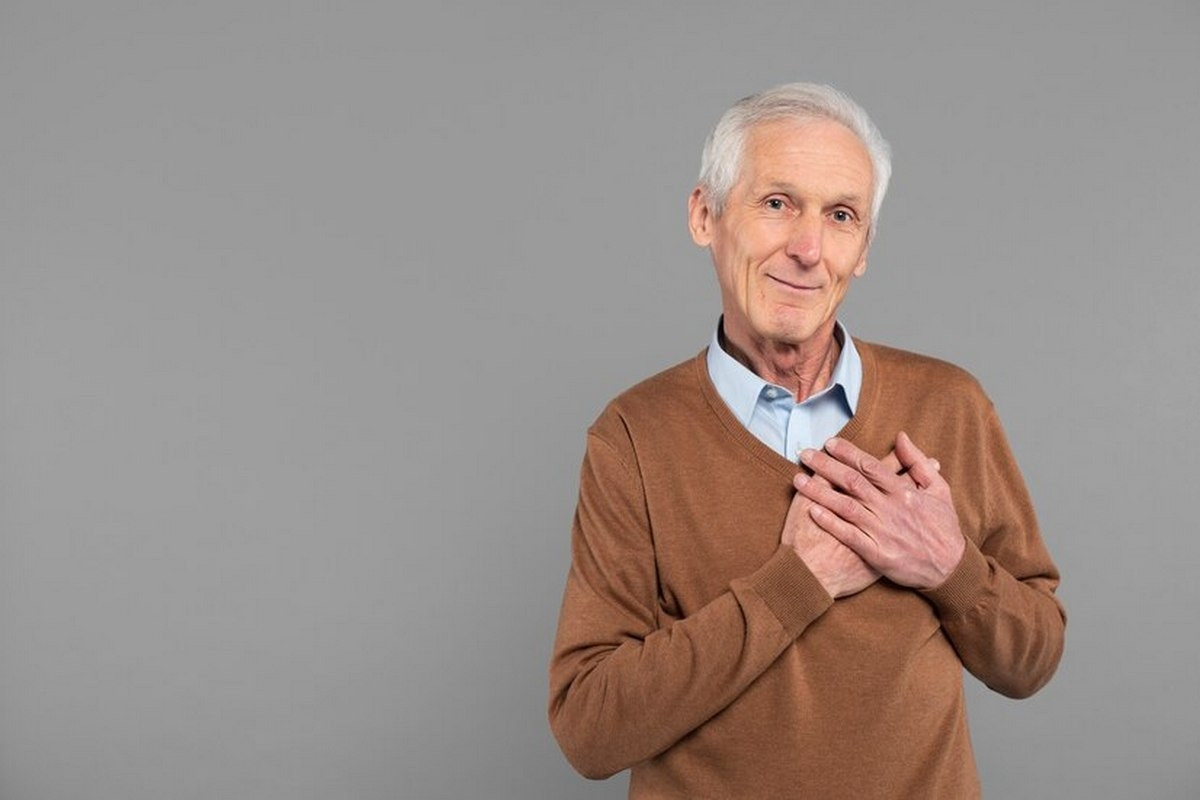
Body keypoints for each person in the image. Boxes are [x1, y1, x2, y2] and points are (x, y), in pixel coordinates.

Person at [547, 83, 1065, 799]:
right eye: (777, 203)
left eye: (841, 216)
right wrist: (798, 582)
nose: (808, 249)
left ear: (864, 249)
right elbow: (589, 730)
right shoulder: (634, 437)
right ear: (705, 216)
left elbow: (1032, 661)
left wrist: (949, 564)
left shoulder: (950, 406)